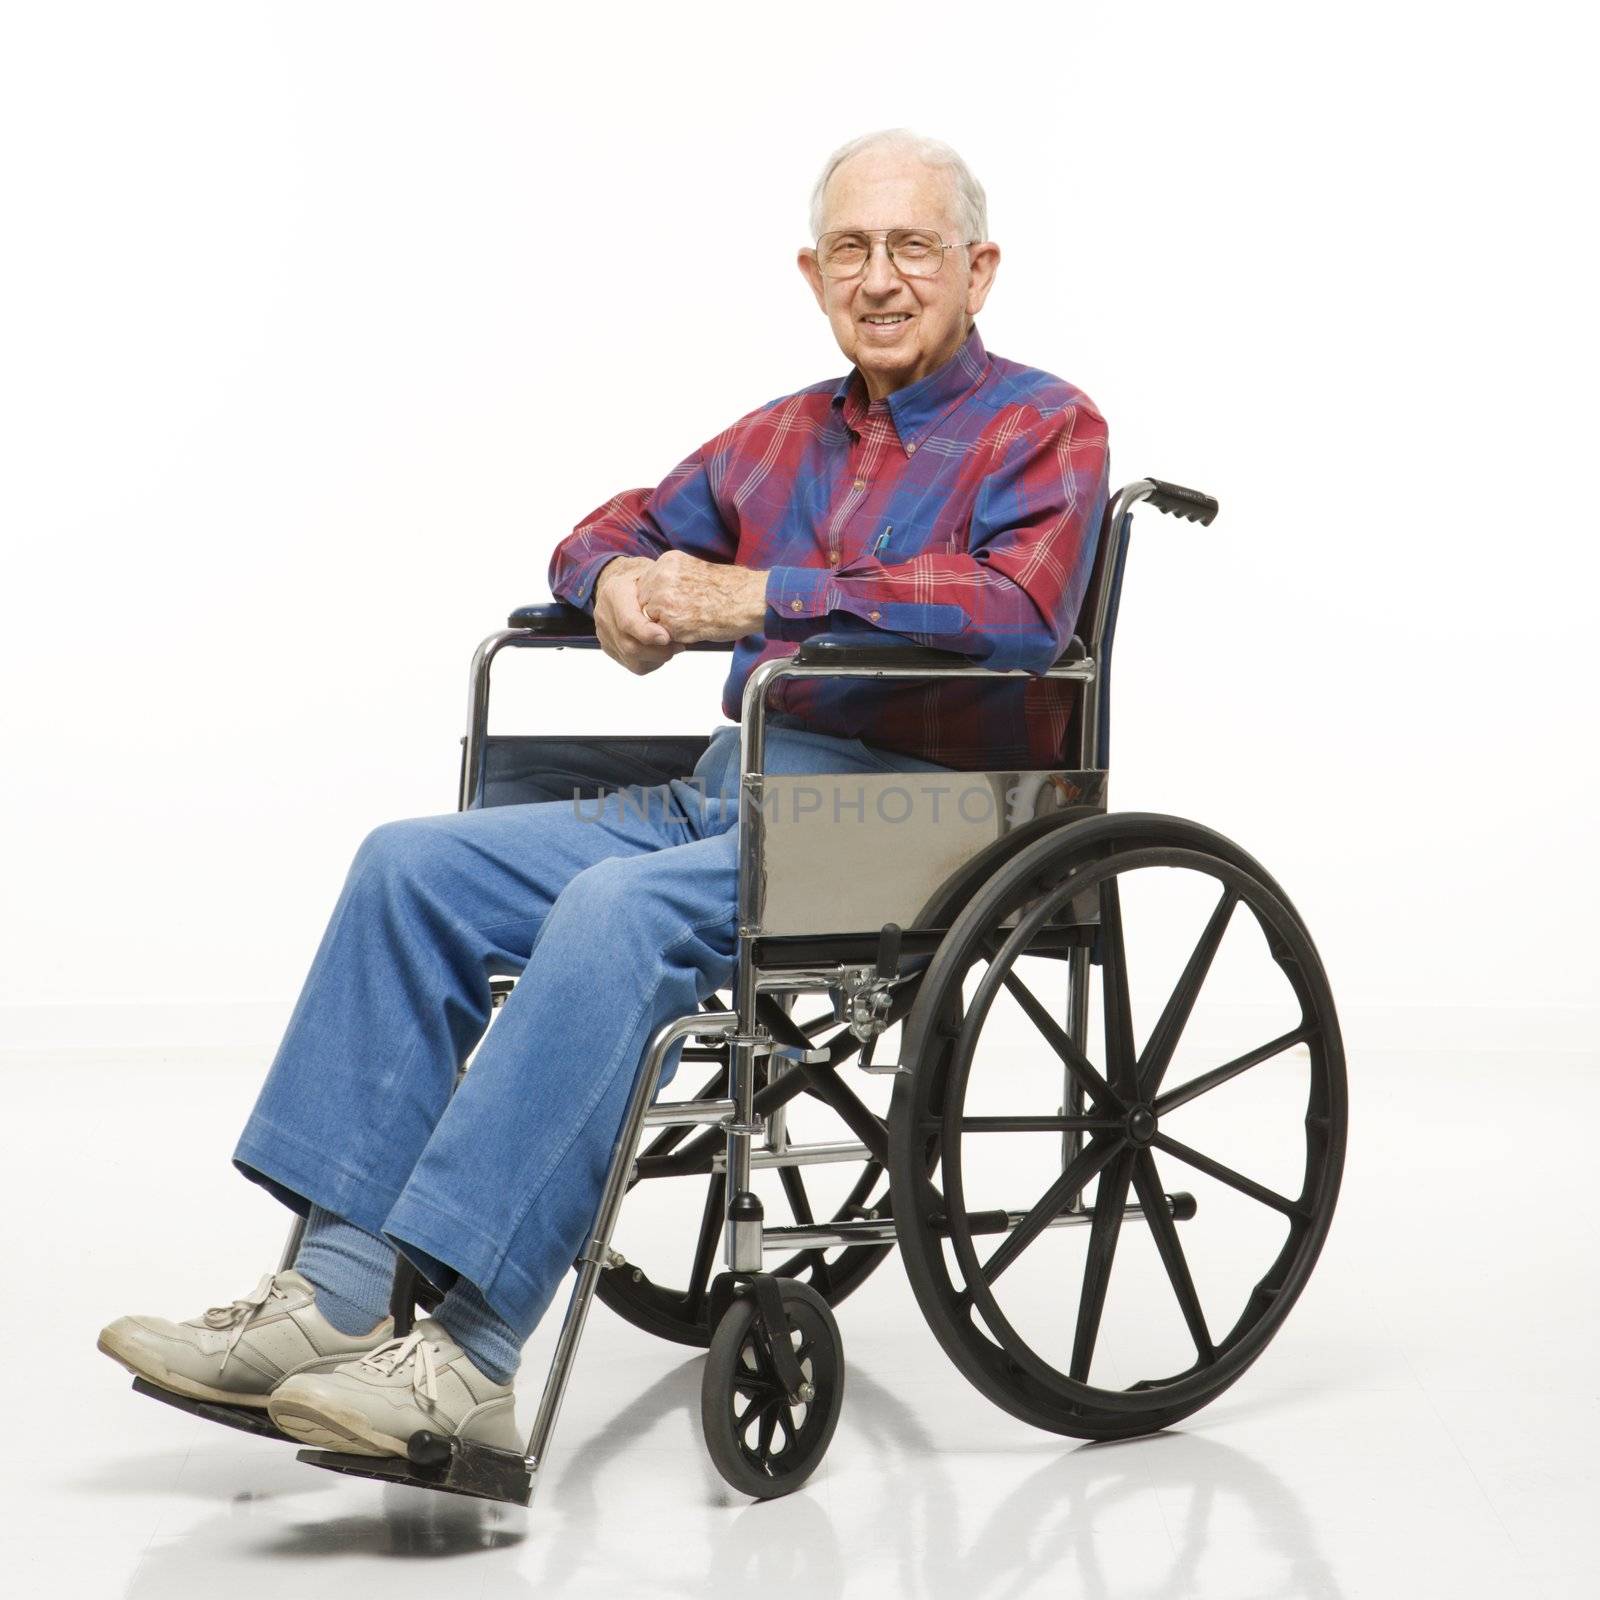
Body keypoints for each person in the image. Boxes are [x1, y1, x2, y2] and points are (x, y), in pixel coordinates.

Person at [97, 128, 1110, 1461]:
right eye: (851, 250)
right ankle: (332, 1299)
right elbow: (605, 528)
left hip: (917, 818)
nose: (880, 278)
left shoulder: (1042, 425)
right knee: (410, 866)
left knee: (613, 914)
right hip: (729, 791)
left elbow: (1023, 611)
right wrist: (616, 586)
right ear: (812, 273)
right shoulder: (777, 438)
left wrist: (767, 596)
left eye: (912, 247)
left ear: (977, 268)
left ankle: (467, 1357)